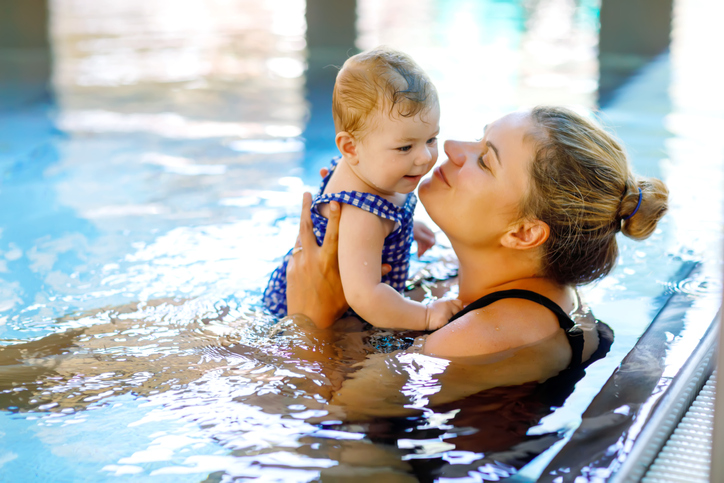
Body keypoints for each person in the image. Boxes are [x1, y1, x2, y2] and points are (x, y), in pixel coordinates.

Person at [286, 105, 669, 370]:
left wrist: (308, 322)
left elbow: (339, 425)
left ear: (524, 232)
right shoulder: (497, 289)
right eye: (479, 138)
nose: (451, 149)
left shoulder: (481, 337)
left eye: (485, 160)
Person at [263, 46, 462, 331]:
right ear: (350, 147)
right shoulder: (362, 215)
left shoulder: (369, 167)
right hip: (322, 320)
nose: (425, 157)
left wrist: (405, 226)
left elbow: (382, 221)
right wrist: (427, 316)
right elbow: (365, 297)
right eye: (405, 147)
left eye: (431, 139)